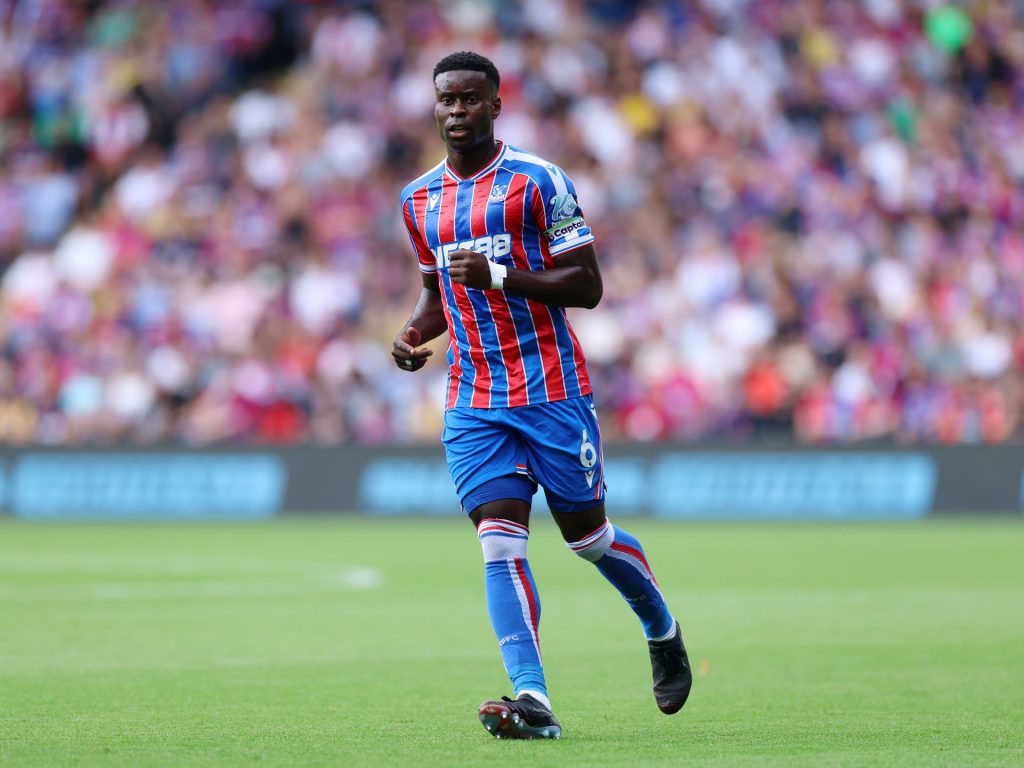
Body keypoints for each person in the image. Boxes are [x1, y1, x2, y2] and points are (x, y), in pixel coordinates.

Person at [391, 50, 692, 740]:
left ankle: (661, 626)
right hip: (473, 395)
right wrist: (411, 333)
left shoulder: (538, 182)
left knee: (587, 538)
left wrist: (501, 275)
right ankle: (534, 701)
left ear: (496, 105)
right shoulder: (418, 200)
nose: (457, 110)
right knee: (499, 543)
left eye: (470, 98)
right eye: (446, 99)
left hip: (551, 387)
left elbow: (588, 285)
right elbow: (437, 296)